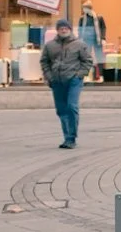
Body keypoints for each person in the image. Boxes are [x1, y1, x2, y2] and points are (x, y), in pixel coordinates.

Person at [40, 19, 94, 149]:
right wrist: (49, 77)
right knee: (61, 110)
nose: (63, 30)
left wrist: (79, 75)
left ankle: (71, 138)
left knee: (71, 106)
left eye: (66, 28)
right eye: (61, 28)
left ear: (70, 29)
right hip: (56, 81)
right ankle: (67, 138)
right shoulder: (50, 46)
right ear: (57, 30)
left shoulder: (79, 44)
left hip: (73, 80)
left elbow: (87, 61)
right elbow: (44, 62)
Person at [76, 2, 106, 83]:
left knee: (99, 57)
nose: (84, 10)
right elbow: (80, 29)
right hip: (86, 40)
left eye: (85, 8)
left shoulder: (98, 17)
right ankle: (86, 76)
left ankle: (101, 76)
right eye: (83, 8)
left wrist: (103, 38)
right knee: (86, 58)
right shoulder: (82, 18)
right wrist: (79, 40)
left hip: (97, 40)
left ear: (89, 8)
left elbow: (103, 28)